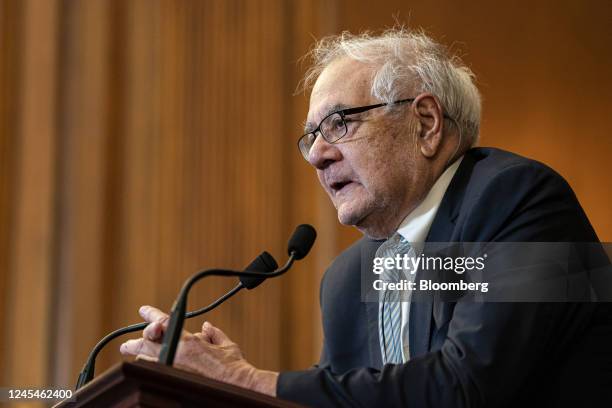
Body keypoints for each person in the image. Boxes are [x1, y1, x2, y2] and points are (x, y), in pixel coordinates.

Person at [120, 29, 612, 407]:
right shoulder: (348, 279)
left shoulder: (520, 201)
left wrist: (250, 381)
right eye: (310, 136)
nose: (317, 155)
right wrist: (229, 392)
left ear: (426, 124)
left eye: (339, 124)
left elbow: (468, 386)